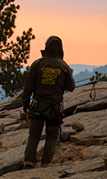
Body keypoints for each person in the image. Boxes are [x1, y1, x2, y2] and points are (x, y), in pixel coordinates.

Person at [22, 36, 75, 169]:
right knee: (51, 137)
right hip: (54, 109)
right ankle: (46, 163)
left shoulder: (37, 64)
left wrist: (25, 102)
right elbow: (71, 87)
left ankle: (29, 162)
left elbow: (28, 85)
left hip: (37, 106)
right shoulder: (64, 66)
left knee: (34, 135)